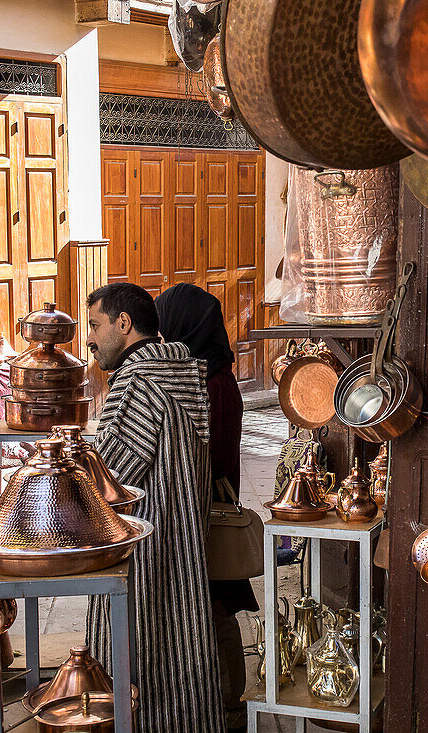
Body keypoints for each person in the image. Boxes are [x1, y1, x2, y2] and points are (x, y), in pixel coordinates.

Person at [84, 283, 224, 732]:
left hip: (141, 550)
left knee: (135, 655)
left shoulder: (138, 382)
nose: (88, 338)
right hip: (183, 540)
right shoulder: (180, 369)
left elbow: (111, 478)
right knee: (181, 648)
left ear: (123, 324)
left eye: (94, 325)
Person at [156, 283, 256, 733]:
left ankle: (230, 705)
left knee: (216, 607)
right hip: (202, 505)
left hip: (207, 510)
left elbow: (206, 453)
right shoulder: (207, 372)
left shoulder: (211, 381)